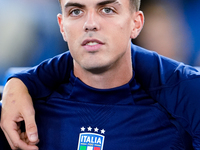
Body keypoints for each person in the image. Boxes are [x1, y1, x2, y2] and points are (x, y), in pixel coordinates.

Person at [1, 0, 200, 149]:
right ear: (62, 26)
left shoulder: (180, 107)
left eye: (107, 10)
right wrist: (18, 83)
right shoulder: (23, 112)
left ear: (136, 24)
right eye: (76, 11)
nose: (90, 24)